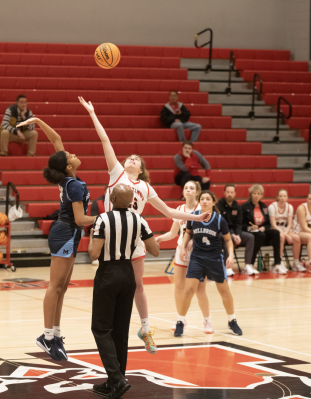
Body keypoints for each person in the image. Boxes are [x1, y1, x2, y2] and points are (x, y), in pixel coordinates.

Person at [80, 96, 211, 355]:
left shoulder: (145, 187)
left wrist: (196, 218)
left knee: (139, 284)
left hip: (134, 237)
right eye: (128, 157)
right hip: (111, 232)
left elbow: (169, 210)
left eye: (135, 159)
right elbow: (105, 141)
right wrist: (93, 114)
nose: (130, 159)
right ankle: (106, 326)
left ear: (140, 169)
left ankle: (145, 328)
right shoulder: (115, 172)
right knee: (108, 281)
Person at [16, 115, 95, 362]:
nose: (73, 154)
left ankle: (56, 335)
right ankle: (47, 337)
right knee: (55, 287)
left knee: (61, 288)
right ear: (68, 167)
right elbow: (82, 220)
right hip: (66, 232)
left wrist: (38, 121)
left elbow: (57, 139)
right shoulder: (74, 186)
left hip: (69, 233)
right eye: (70, 155)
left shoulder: (68, 177)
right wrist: (111, 217)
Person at [89, 184, 159, 399]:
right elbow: (155, 250)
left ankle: (117, 379)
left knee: (101, 329)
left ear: (112, 197)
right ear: (130, 202)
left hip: (108, 274)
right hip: (128, 274)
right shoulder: (139, 220)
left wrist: (94, 237)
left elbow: (93, 253)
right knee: (120, 330)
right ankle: (115, 381)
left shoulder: (102, 219)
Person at [178, 190, 242, 336]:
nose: (205, 201)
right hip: (197, 258)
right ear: (199, 201)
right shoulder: (193, 217)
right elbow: (188, 232)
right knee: (189, 290)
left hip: (215, 258)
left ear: (213, 202)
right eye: (202, 199)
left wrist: (230, 255)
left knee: (224, 291)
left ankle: (232, 321)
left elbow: (228, 240)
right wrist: (183, 248)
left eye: (208, 199)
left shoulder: (220, 220)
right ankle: (180, 322)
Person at [155, 180, 201, 332]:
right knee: (178, 286)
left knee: (199, 288)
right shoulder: (179, 209)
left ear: (197, 192)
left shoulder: (201, 208)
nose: (188, 190)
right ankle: (181, 318)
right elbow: (173, 233)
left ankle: (206, 319)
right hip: (181, 250)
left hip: (198, 251)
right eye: (186, 188)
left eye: (191, 188)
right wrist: (161, 238)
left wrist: (194, 239)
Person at [241, 185, 283, 274]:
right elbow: (241, 223)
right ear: (251, 194)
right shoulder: (245, 206)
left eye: (258, 194)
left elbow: (268, 223)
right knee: (260, 235)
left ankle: (277, 263)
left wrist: (265, 227)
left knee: (276, 233)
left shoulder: (263, 206)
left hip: (261, 231)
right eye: (254, 193)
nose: (256, 195)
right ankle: (250, 264)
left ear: (261, 195)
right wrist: (249, 227)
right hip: (251, 232)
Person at [216, 184, 256, 276]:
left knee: (250, 237)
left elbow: (239, 223)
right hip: (220, 233)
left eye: (231, 192)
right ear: (224, 193)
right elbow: (220, 224)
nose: (230, 194)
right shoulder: (219, 205)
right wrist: (233, 235)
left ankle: (247, 266)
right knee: (228, 237)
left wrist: (237, 235)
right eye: (228, 192)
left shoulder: (237, 206)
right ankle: (227, 267)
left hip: (234, 233)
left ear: (235, 194)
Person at [268, 189, 300, 273]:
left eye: (284, 196)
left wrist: (286, 234)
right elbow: (273, 225)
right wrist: (286, 235)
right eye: (281, 196)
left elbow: (289, 224)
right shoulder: (272, 207)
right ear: (277, 197)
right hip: (274, 230)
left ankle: (296, 263)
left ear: (287, 197)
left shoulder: (289, 207)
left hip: (284, 230)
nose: (282, 198)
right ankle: (279, 261)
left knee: (296, 238)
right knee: (281, 237)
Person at [87, 185, 107, 265]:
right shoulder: (97, 202)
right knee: (94, 229)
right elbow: (94, 219)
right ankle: (96, 255)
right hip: (99, 226)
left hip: (111, 226)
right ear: (105, 192)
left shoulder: (116, 202)